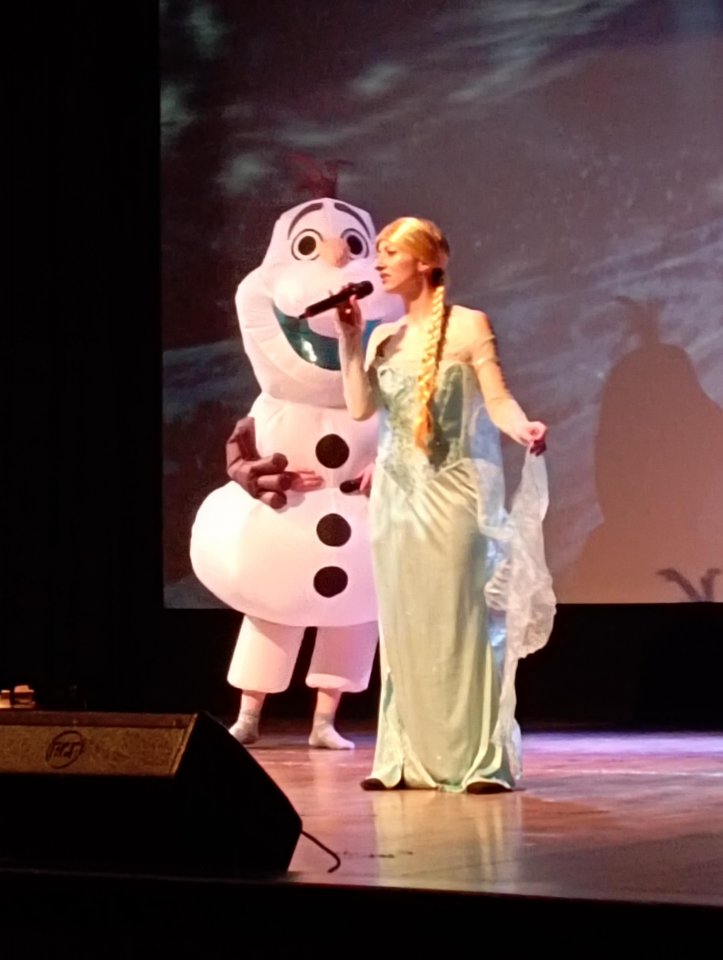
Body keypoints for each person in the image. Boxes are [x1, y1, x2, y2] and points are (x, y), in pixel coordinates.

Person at [335, 216, 554, 791]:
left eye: (391, 252)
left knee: (460, 619)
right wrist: (350, 340)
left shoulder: (469, 325)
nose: (379, 263)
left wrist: (523, 428)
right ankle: (405, 756)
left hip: (455, 494)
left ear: (425, 263)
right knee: (404, 622)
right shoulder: (383, 337)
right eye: (378, 252)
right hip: (396, 500)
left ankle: (480, 760)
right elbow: (360, 409)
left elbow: (498, 399)